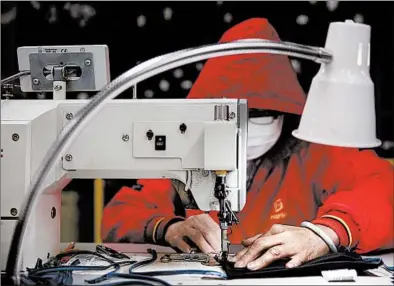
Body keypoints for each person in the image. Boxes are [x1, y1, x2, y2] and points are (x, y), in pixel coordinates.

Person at [101, 18, 393, 271]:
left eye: (258, 113)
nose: (244, 125)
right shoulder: (186, 151)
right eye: (231, 114)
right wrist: (167, 228)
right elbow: (121, 215)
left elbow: (383, 191)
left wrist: (325, 233)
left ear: (286, 112)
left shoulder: (317, 151)